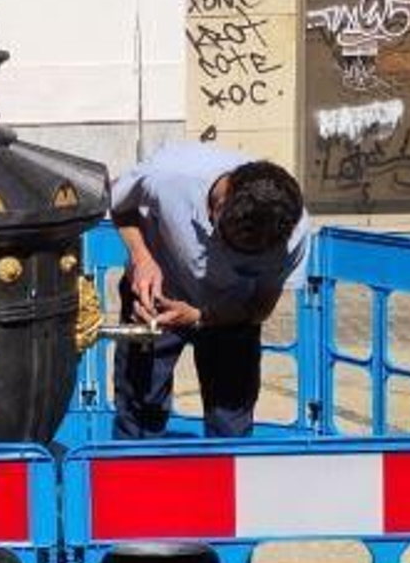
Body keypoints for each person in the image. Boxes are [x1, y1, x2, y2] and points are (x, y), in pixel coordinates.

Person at [109, 143, 310, 439]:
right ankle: (135, 476)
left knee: (231, 424)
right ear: (218, 206)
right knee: (139, 414)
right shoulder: (168, 175)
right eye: (232, 247)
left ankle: (224, 476)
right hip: (155, 301)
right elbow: (118, 204)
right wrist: (142, 258)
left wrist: (200, 316)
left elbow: (260, 308)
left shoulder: (292, 230)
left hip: (230, 318)